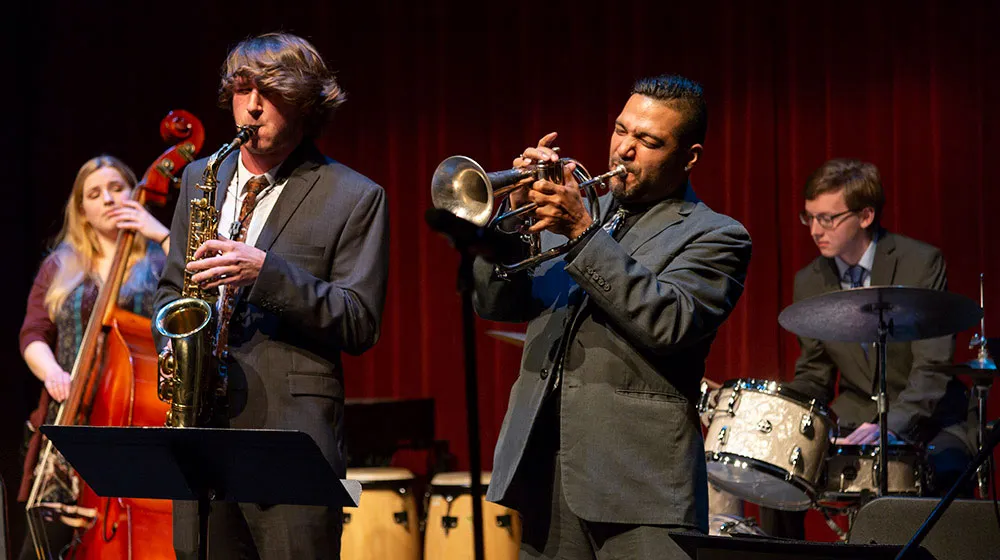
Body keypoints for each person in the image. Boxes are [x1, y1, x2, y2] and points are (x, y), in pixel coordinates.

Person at [473, 74, 752, 559]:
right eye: (621, 130)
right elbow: (495, 304)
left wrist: (582, 232)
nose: (624, 149)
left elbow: (669, 322)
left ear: (689, 157)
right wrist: (512, 221)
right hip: (545, 475)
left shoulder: (716, 235)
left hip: (641, 487)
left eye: (648, 141)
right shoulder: (573, 214)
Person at [153, 32, 388, 560]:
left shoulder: (355, 196)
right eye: (242, 90)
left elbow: (359, 320)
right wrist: (171, 342)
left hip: (289, 438)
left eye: (271, 92)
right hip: (199, 430)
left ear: (305, 103)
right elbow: (171, 289)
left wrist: (266, 273)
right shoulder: (200, 177)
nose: (252, 107)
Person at [760, 158, 974, 538]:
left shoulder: (920, 263)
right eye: (809, 217)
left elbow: (932, 367)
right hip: (856, 413)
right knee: (776, 471)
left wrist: (892, 426)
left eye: (827, 218)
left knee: (946, 471)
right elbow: (815, 373)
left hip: (933, 417)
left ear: (865, 216)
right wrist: (787, 415)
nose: (815, 230)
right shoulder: (810, 280)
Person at [18, 154, 171, 559]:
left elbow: (197, 278)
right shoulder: (59, 265)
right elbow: (34, 333)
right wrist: (51, 371)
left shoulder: (160, 261)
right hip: (67, 420)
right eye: (94, 193)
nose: (107, 199)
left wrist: (159, 232)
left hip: (134, 426)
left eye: (117, 188)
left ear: (135, 194)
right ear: (81, 209)